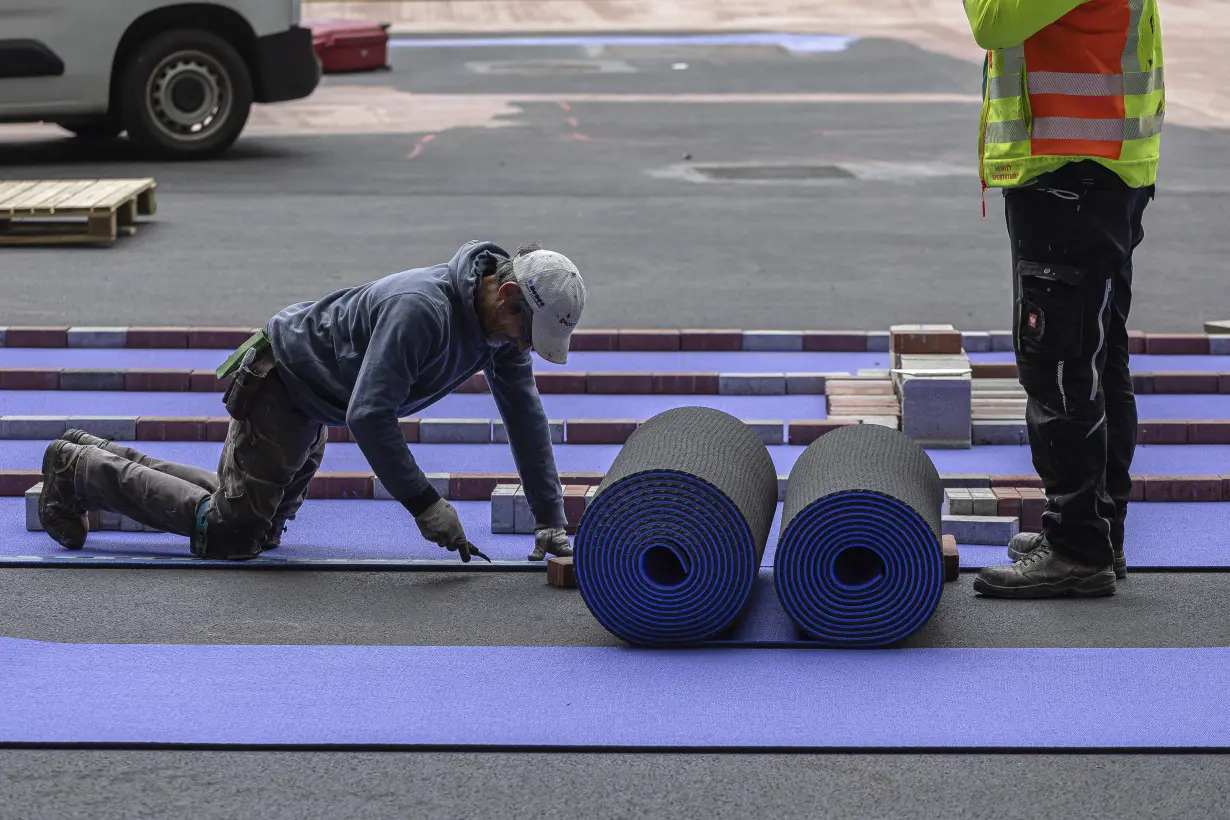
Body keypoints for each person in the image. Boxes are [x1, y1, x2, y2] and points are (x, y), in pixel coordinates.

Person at [36, 240, 586, 564]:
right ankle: (78, 466)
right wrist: (425, 503)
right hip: (287, 383)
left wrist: (549, 520)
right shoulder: (424, 311)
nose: (522, 347)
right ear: (508, 293)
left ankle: (93, 452)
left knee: (260, 529)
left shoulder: (500, 330)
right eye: (525, 333)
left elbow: (525, 417)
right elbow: (369, 416)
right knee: (231, 536)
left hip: (319, 396)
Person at [964, 0, 1164, 597]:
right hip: (1096, 165)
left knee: (1058, 363)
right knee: (1098, 358)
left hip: (1071, 167)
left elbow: (994, 22)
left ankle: (1077, 549)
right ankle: (1097, 533)